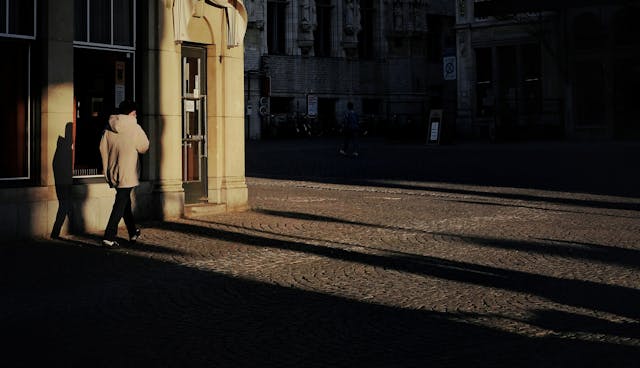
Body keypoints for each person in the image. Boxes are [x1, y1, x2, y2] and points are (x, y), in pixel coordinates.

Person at [99, 100, 149, 247]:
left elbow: (102, 148)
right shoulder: (134, 127)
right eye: (134, 113)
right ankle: (109, 236)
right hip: (128, 171)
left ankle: (133, 232)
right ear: (130, 113)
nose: (135, 115)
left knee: (124, 201)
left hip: (114, 170)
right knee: (120, 203)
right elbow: (144, 147)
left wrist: (106, 169)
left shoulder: (108, 127)